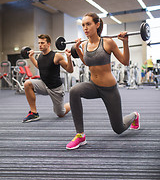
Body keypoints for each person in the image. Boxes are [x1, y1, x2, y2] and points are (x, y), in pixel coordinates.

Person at [66, 12, 140, 150]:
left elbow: (125, 61)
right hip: (93, 86)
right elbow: (88, 63)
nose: (85, 28)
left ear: (97, 24)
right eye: (83, 25)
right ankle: (80, 135)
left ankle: (134, 116)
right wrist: (78, 51)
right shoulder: (84, 44)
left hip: (109, 89)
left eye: (88, 24)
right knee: (74, 91)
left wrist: (125, 43)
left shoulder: (107, 42)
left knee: (119, 128)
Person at [22, 34, 73, 123]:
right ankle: (34, 113)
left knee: (60, 113)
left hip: (55, 88)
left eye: (42, 43)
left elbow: (70, 70)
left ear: (48, 44)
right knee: (27, 84)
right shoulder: (39, 56)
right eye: (39, 43)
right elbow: (40, 66)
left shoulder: (57, 56)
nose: (40, 45)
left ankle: (72, 104)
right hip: (44, 84)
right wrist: (31, 58)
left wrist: (69, 58)